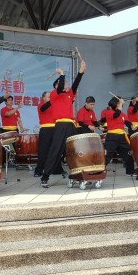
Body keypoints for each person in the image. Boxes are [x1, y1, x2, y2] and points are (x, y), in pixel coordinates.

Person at [40, 60, 86, 188]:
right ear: (56, 86)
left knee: (74, 151)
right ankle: (45, 176)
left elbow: (75, 84)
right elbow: (60, 87)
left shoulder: (69, 95)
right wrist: (61, 74)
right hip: (60, 126)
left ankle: (78, 174)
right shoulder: (55, 94)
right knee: (55, 151)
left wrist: (81, 72)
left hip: (71, 125)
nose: (66, 85)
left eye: (65, 83)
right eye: (63, 83)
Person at [101, 96, 136, 176]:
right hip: (112, 137)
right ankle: (98, 171)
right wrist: (120, 102)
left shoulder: (123, 114)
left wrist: (132, 126)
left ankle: (130, 171)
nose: (120, 105)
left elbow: (127, 122)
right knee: (107, 155)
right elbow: (116, 115)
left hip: (122, 137)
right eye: (119, 103)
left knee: (128, 153)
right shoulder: (109, 112)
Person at [34, 91, 64, 178]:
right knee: (43, 151)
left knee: (56, 149)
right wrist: (53, 100)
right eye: (48, 97)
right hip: (45, 129)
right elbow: (43, 108)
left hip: (56, 129)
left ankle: (57, 169)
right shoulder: (41, 105)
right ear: (43, 98)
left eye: (51, 97)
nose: (50, 98)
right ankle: (39, 170)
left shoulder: (54, 105)